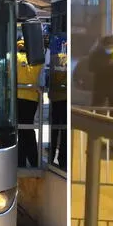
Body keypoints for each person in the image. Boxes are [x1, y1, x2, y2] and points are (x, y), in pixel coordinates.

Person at [16, 39, 43, 168]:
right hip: (32, 98)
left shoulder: (14, 57)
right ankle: (33, 159)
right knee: (28, 128)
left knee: (20, 130)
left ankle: (21, 160)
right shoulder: (37, 61)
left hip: (17, 97)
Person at [48, 38, 67, 171]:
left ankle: (51, 158)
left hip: (55, 99)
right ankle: (63, 159)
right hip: (65, 99)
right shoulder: (69, 60)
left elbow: (48, 77)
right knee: (64, 130)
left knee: (54, 129)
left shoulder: (53, 59)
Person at [88, 36, 113, 107]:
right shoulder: (96, 54)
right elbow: (91, 68)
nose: (110, 48)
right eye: (107, 46)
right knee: (97, 105)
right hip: (100, 84)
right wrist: (106, 65)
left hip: (112, 83)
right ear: (103, 46)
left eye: (111, 46)